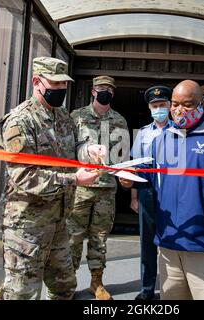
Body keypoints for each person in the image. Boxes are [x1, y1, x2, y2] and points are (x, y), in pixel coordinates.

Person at [120, 80, 204, 300]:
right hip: (169, 243)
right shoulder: (162, 139)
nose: (179, 110)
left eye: (187, 105)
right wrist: (131, 178)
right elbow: (149, 174)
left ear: (202, 104)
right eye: (175, 104)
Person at [0, 57, 104, 300]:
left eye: (63, 84)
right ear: (37, 82)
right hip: (27, 228)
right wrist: (74, 180)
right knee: (21, 294)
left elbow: (74, 145)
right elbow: (23, 176)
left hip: (58, 222)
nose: (61, 90)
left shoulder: (61, 116)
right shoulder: (19, 121)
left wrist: (89, 150)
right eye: (55, 84)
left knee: (64, 288)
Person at [68, 76, 129, 300]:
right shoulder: (77, 117)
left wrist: (125, 176)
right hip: (81, 187)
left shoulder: (119, 121)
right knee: (73, 237)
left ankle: (97, 283)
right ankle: (69, 282)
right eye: (101, 89)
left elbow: (124, 156)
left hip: (106, 188)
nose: (105, 92)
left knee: (99, 238)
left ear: (113, 93)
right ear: (93, 91)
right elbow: (67, 148)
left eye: (109, 90)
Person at [130, 85, 173, 301]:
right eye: (155, 106)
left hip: (172, 194)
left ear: (170, 106)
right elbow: (135, 169)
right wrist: (134, 197)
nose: (159, 109)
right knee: (147, 244)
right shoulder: (143, 134)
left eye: (162, 105)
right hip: (147, 192)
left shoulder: (181, 132)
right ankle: (147, 290)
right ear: (149, 108)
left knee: (170, 242)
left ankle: (170, 290)